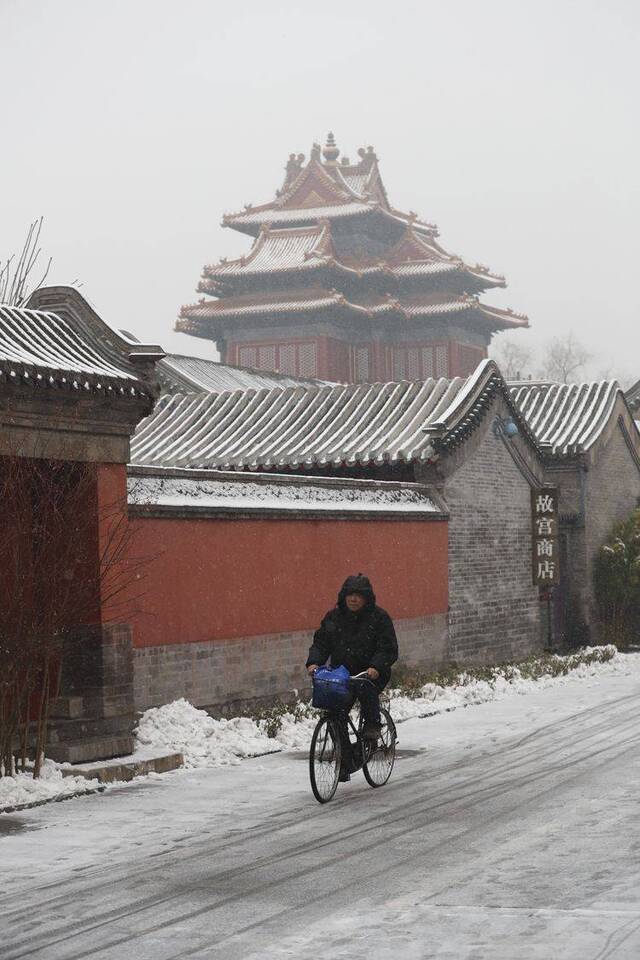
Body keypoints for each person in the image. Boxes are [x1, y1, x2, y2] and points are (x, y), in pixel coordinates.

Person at [306, 574, 398, 749]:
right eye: (350, 594)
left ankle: (372, 725)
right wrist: (314, 662)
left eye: (358, 595)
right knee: (335, 712)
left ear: (366, 598)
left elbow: (387, 648)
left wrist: (376, 666)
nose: (353, 599)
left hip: (370, 672)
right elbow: (321, 642)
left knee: (365, 687)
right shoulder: (334, 617)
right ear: (343, 596)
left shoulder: (379, 618)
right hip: (341, 673)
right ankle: (345, 758)